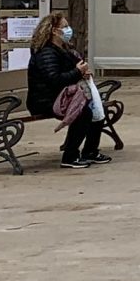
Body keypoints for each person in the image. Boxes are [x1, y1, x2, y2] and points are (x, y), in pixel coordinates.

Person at [27, 12, 104, 168]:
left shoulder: (63, 49)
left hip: (59, 96)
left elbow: (68, 72)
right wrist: (76, 72)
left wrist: (81, 72)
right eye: (65, 27)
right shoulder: (46, 52)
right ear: (54, 31)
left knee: (96, 109)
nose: (69, 30)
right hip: (45, 100)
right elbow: (54, 79)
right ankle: (70, 156)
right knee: (84, 113)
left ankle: (90, 151)